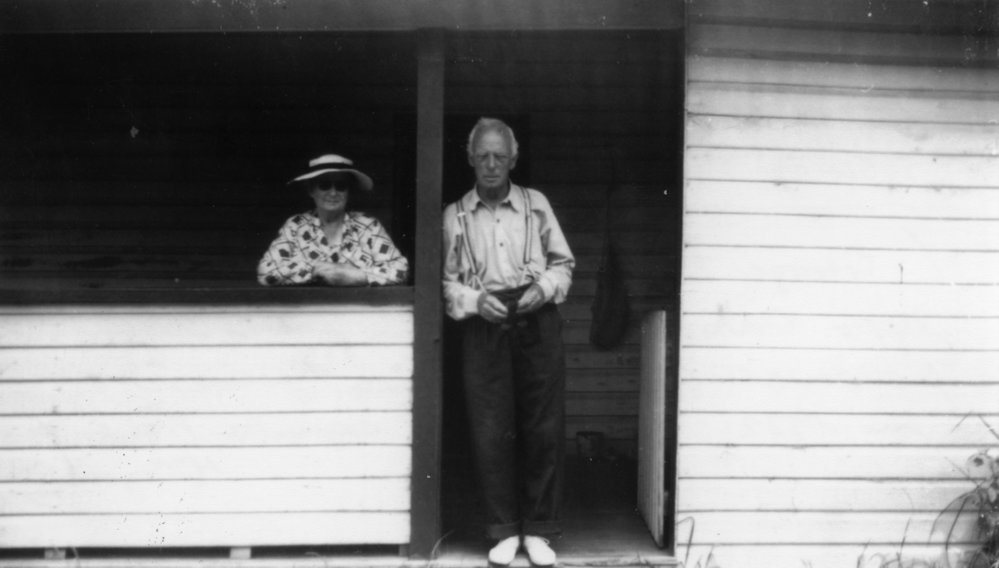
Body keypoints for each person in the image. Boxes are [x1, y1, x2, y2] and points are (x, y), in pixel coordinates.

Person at [442, 118, 575, 567]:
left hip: (536, 317)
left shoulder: (536, 205)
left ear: (514, 159)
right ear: (471, 159)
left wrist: (547, 287)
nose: (492, 164)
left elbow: (564, 263)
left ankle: (538, 531)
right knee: (490, 428)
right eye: (483, 156)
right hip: (484, 321)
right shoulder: (455, 214)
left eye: (500, 156)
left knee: (542, 426)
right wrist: (474, 301)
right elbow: (444, 284)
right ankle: (502, 530)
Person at [258, 154, 408, 286]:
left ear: (349, 191)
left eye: (341, 186)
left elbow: (400, 270)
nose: (333, 192)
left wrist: (357, 276)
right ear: (311, 190)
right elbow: (266, 272)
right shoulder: (296, 226)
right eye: (324, 185)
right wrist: (316, 269)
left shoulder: (368, 226)